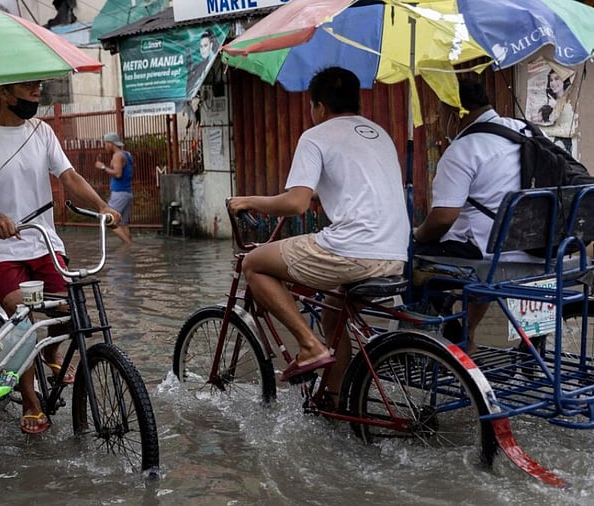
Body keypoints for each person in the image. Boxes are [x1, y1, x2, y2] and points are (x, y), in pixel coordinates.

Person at [227, 67, 409, 400]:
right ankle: (336, 396)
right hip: (395, 253)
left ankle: (309, 346)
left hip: (353, 251)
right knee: (330, 306)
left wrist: (249, 201)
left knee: (253, 263)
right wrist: (319, 195)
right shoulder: (379, 133)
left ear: (320, 107)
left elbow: (295, 204)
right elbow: (360, 188)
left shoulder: (316, 136)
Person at [0, 79, 121, 434]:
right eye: (27, 87)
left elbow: (69, 176)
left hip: (44, 243)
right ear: (2, 92)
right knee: (24, 321)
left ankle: (51, 355)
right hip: (1, 250)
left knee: (68, 312)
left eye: (37, 86)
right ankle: (30, 399)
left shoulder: (42, 131)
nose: (35, 92)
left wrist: (102, 206)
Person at [414, 79, 539, 353]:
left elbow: (443, 218)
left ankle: (436, 334)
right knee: (476, 241)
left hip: (494, 257)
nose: (440, 119)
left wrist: (417, 235)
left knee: (411, 257)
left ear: (456, 112)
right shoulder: (526, 130)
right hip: (542, 248)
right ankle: (468, 332)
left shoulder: (462, 150)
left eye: (442, 112)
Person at [96, 132, 133, 244]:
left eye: (106, 143)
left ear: (111, 144)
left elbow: (118, 174)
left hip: (119, 193)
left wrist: (103, 167)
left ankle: (128, 244)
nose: (105, 146)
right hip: (127, 192)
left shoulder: (117, 156)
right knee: (123, 223)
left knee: (108, 219)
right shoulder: (127, 154)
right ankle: (128, 247)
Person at [186, 29, 217, 97]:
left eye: (205, 45)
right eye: (201, 46)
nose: (203, 50)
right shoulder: (199, 66)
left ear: (211, 45)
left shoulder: (213, 59)